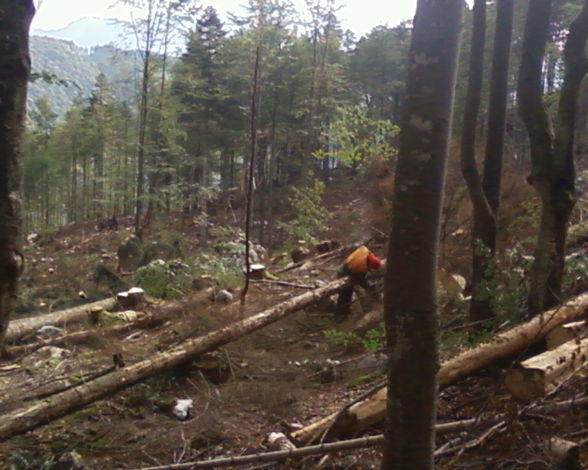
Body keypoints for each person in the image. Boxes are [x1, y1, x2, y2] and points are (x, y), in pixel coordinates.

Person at [335, 245, 385, 320]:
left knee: (349, 293)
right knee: (345, 295)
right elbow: (361, 280)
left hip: (347, 267)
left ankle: (345, 311)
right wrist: (368, 287)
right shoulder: (361, 266)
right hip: (344, 274)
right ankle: (340, 315)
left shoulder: (366, 252)